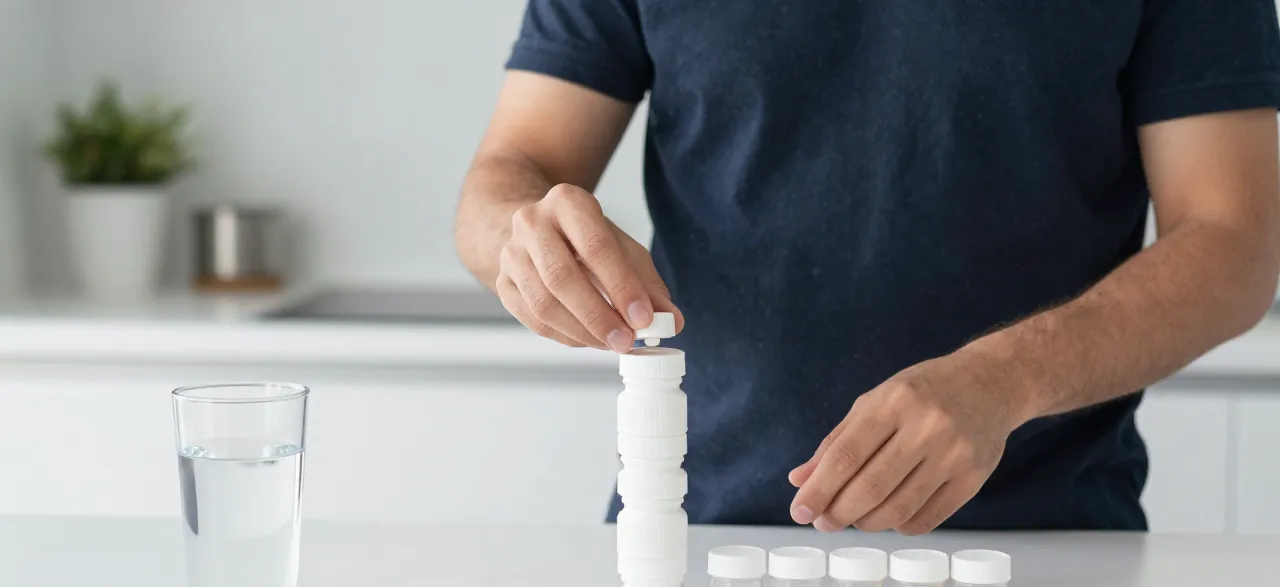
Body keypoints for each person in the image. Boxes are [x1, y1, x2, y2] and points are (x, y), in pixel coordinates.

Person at [455, 1, 1280, 533]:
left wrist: (1007, 378)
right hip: (689, 540)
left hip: (1046, 555)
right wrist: (519, 240)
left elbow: (1236, 239)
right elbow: (512, 169)